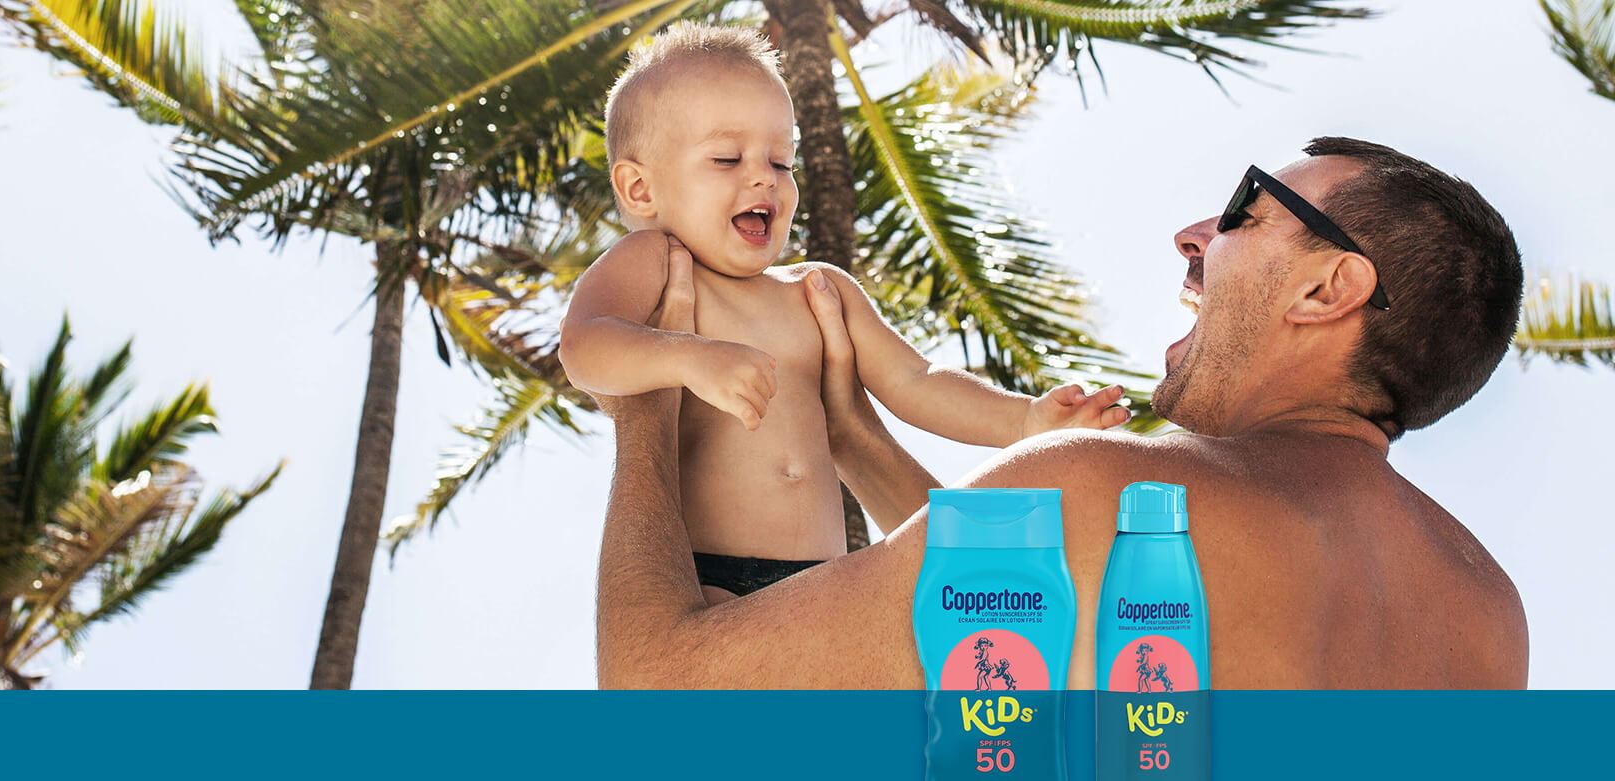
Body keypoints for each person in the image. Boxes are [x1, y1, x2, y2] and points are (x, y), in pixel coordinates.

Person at [592, 138, 1529, 689]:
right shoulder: (1488, 617)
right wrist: (857, 438)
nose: (1195, 235)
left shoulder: (1107, 494)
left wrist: (644, 406)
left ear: (1331, 287)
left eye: (1248, 209)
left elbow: (660, 682)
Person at [560, 22, 1128, 606]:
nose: (763, 176)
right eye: (727, 158)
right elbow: (584, 345)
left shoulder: (818, 290)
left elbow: (916, 382)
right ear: (640, 189)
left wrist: (1026, 422)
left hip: (829, 579)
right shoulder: (655, 261)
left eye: (781, 162)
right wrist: (687, 357)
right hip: (710, 577)